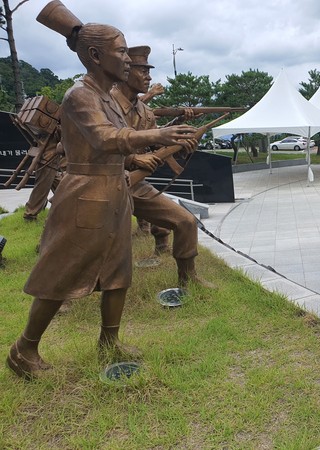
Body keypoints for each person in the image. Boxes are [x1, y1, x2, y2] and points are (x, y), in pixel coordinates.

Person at [7, 0, 198, 380]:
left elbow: (116, 140)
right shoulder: (80, 95)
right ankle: (24, 350)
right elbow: (104, 137)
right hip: (85, 194)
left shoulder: (108, 94)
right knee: (61, 272)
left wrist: (149, 143)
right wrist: (157, 134)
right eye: (122, 51)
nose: (128, 59)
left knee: (117, 271)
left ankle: (108, 341)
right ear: (95, 55)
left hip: (113, 191)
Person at [111, 45, 213, 288]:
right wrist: (132, 160)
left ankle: (188, 279)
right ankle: (64, 296)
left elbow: (152, 144)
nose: (149, 77)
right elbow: (87, 145)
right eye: (142, 71)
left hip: (135, 183)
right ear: (125, 72)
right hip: (103, 182)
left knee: (186, 221)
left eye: (149, 71)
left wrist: (181, 139)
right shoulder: (105, 103)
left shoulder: (145, 111)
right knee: (96, 238)